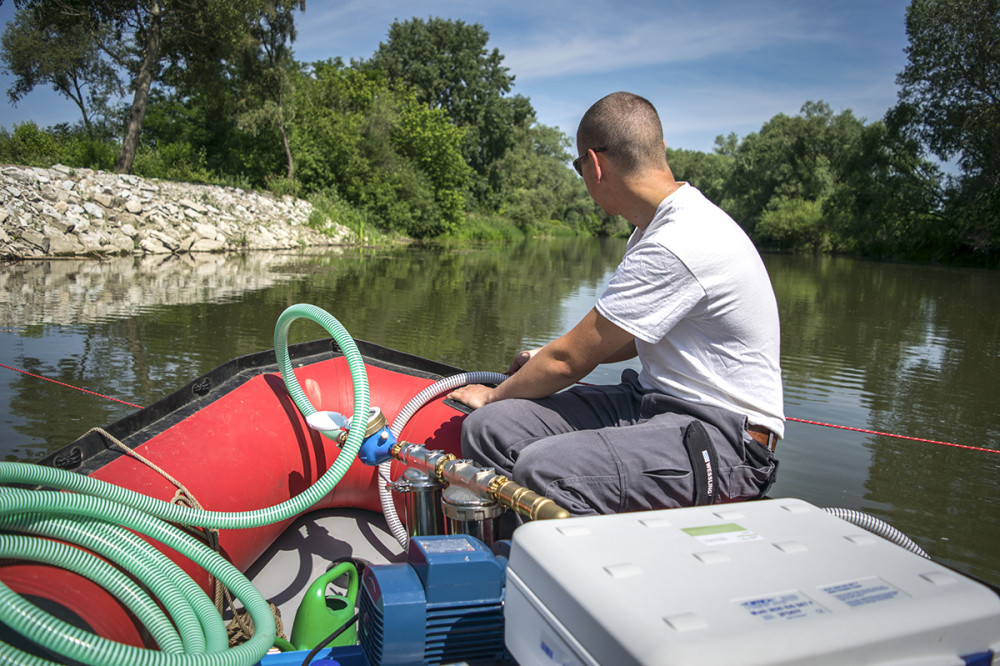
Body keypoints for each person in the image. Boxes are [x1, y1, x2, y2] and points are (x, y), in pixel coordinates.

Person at [448, 91, 783, 517]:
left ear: (595, 164)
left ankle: (557, 575)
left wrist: (495, 395)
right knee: (489, 430)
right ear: (658, 150)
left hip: (726, 438)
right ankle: (506, 554)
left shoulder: (681, 239)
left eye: (578, 167)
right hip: (650, 402)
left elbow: (570, 361)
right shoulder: (650, 231)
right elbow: (624, 336)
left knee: (546, 469)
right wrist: (537, 362)